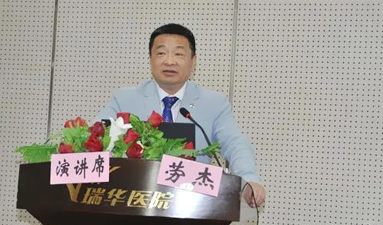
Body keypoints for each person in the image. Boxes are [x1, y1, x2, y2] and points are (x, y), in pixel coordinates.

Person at [95, 23, 266, 208]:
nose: (169, 61)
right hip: (134, 202)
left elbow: (235, 143)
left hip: (192, 205)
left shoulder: (214, 103)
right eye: (161, 53)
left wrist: (248, 179)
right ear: (150, 59)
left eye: (178, 54)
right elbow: (94, 137)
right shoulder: (124, 99)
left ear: (193, 61)